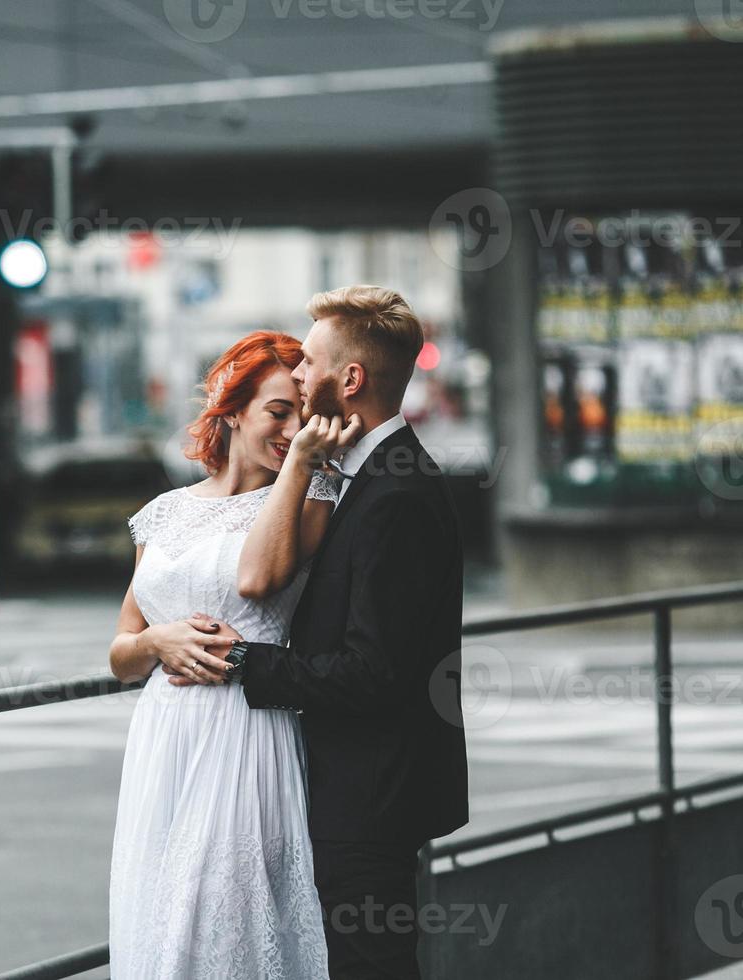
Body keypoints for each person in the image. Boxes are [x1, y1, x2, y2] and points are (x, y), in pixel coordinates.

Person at [184, 286, 470, 979]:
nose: (300, 374)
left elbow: (374, 672)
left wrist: (246, 660)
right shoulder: (372, 474)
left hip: (370, 796)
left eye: (310, 362)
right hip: (364, 787)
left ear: (351, 379)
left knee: (372, 966)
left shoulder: (394, 495)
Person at [107, 329, 359, 979]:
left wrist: (302, 461)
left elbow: (258, 580)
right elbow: (119, 653)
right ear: (234, 407)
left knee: (218, 922)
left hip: (245, 728)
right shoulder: (161, 515)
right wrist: (156, 641)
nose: (292, 427)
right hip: (165, 734)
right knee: (159, 913)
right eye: (279, 411)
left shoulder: (311, 499)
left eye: (304, 414)